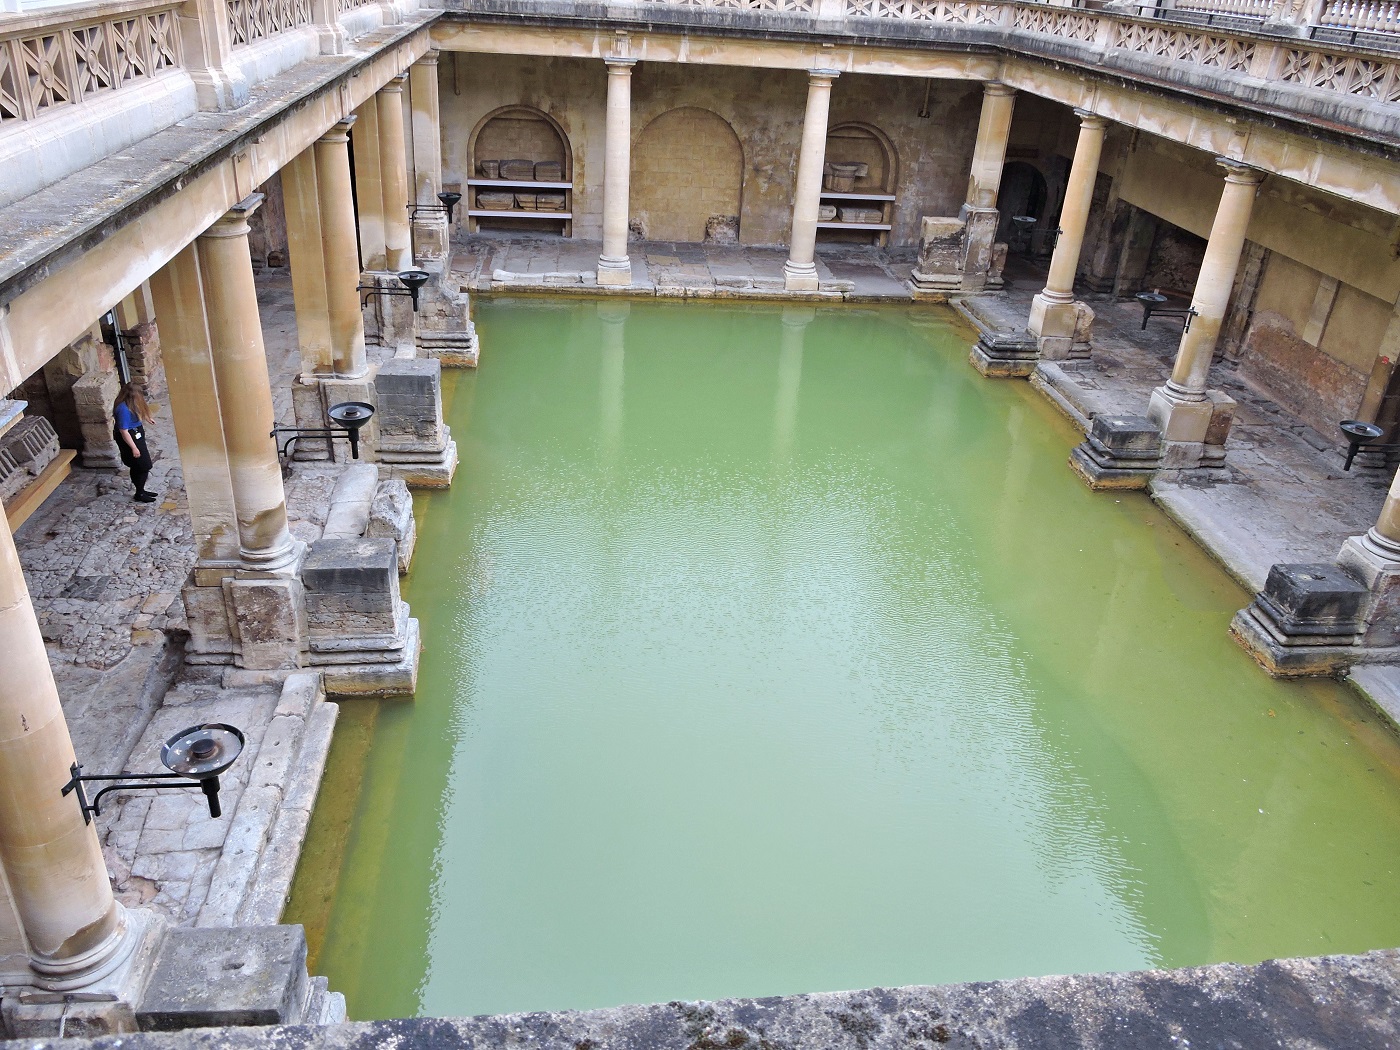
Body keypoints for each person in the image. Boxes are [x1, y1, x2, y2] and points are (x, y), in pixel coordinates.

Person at [113, 382, 157, 503]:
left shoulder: (130, 404)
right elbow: (124, 431)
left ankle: (141, 489)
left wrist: (148, 418)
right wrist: (134, 448)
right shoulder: (123, 409)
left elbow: (138, 411)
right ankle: (140, 493)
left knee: (138, 465)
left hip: (136, 433)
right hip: (130, 438)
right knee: (144, 465)